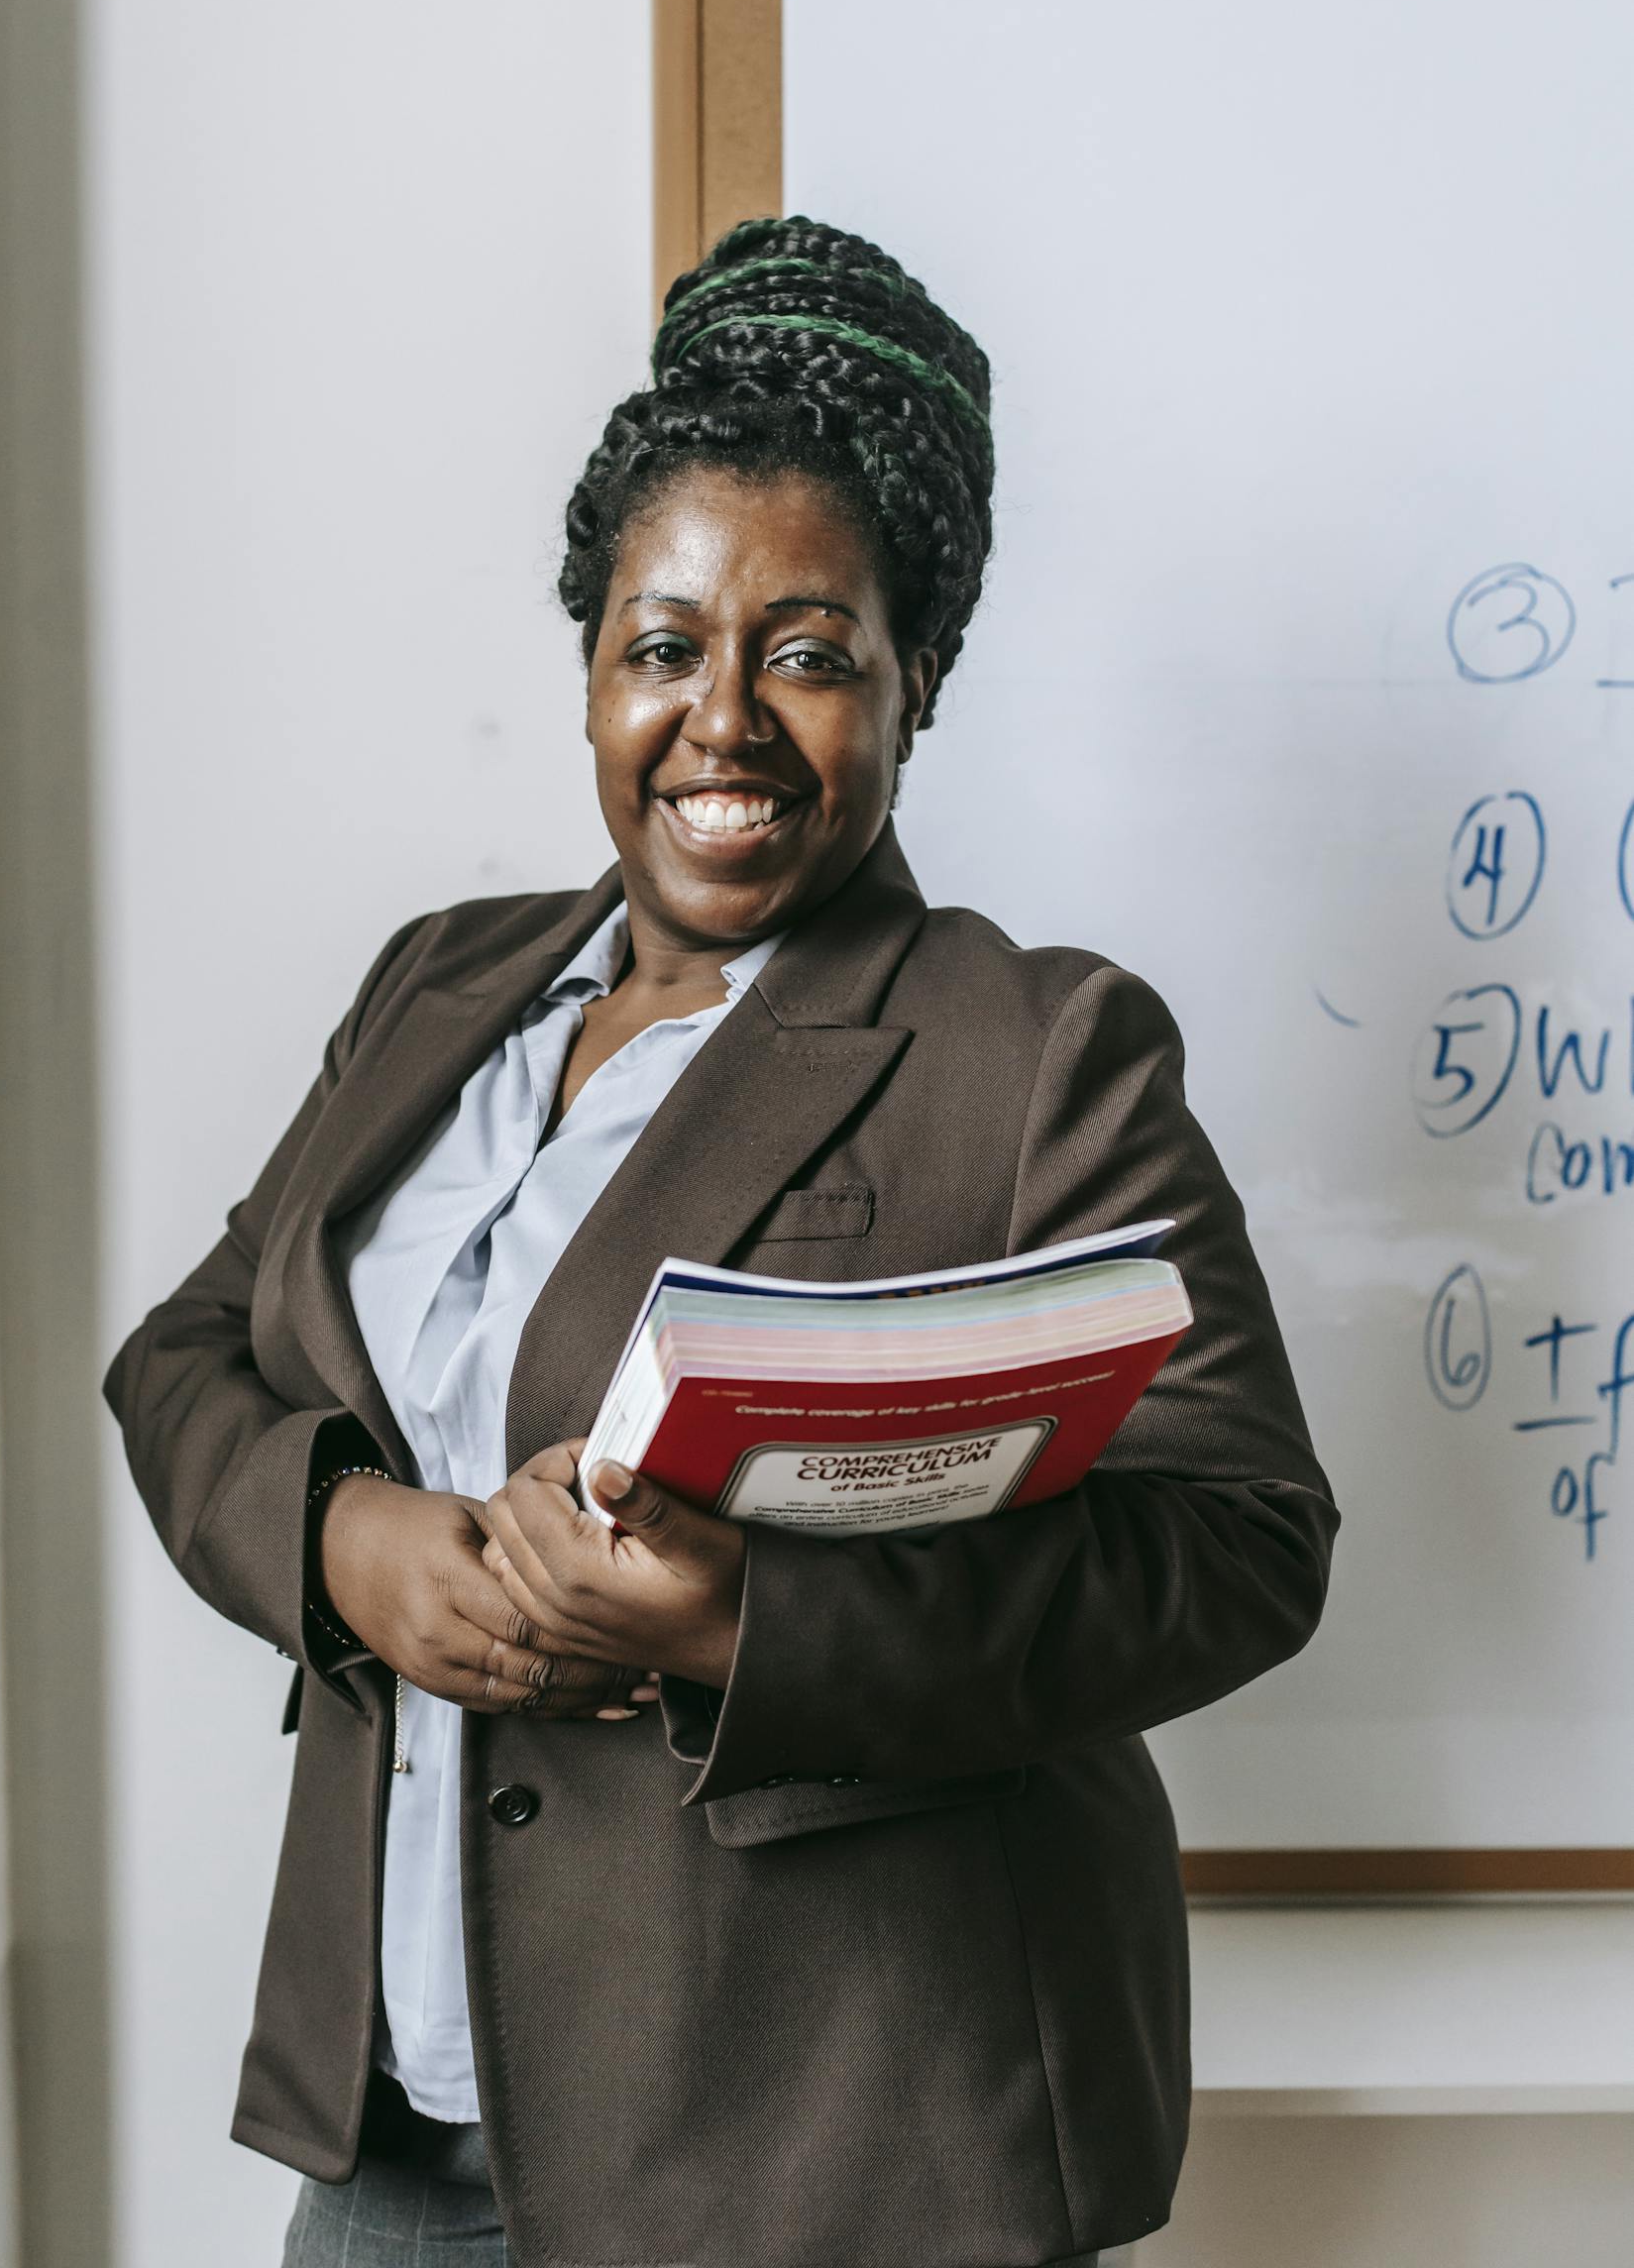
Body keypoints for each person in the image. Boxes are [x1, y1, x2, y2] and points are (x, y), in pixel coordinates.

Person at [105, 214, 1338, 2268]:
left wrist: (731, 1621)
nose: (724, 718)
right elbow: (187, 1351)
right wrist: (346, 1540)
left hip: (823, 2145)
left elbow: (1237, 1539)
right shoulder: (439, 986)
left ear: (912, 680)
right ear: (593, 666)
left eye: (810, 648)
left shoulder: (1034, 1048)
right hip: (402, 2116)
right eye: (663, 641)